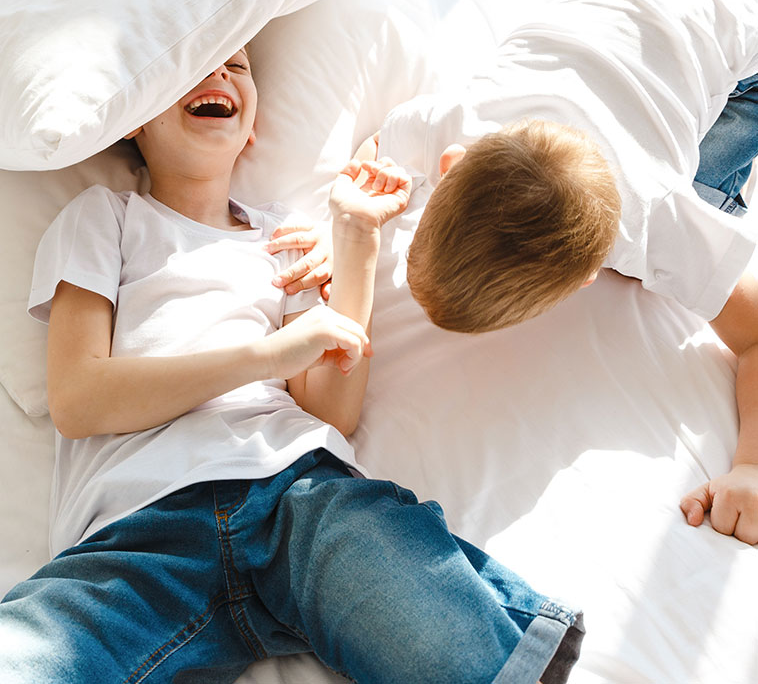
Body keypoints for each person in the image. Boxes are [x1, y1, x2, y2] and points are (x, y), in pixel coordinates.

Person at [0, 46, 584, 684]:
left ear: (251, 129)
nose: (219, 73)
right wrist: (269, 354)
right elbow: (81, 399)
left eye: (238, 65)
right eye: (195, 63)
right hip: (139, 533)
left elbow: (330, 408)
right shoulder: (104, 217)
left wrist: (356, 238)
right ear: (139, 117)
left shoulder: (287, 239)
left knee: (462, 652)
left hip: (299, 498)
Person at [325, 0, 758, 547]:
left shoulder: (655, 218)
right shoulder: (449, 122)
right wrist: (346, 233)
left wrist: (752, 466)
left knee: (711, 189)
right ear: (448, 168)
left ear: (589, 275)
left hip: (727, 33)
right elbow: (376, 151)